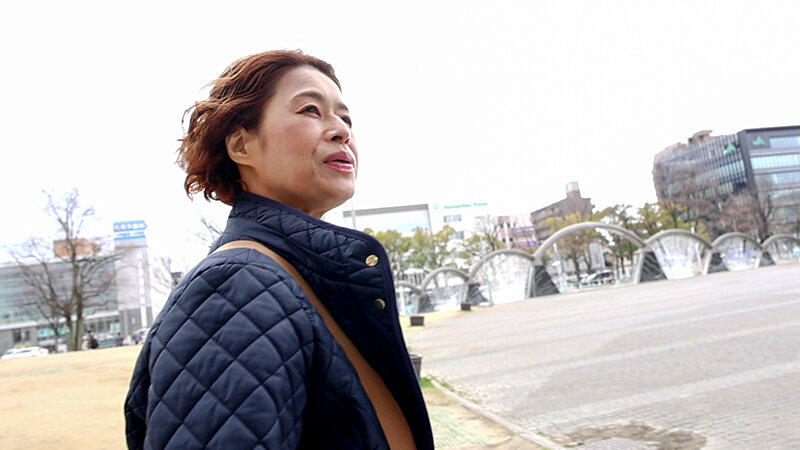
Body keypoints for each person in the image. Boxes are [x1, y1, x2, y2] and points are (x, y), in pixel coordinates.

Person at [124, 50, 433, 449]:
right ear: (241, 146)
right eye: (310, 110)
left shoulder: (302, 278)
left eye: (346, 118)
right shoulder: (235, 286)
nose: (341, 131)